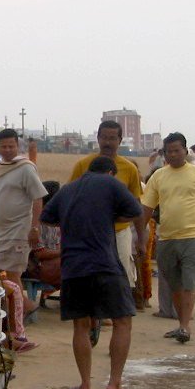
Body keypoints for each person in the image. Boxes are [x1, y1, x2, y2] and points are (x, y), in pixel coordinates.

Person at [41, 156, 142, 389]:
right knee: (122, 321)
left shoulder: (68, 189)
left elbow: (46, 215)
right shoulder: (111, 183)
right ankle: (114, 384)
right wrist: (108, 217)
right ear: (110, 173)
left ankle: (85, 385)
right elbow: (135, 210)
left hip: (73, 267)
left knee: (81, 326)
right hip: (104, 263)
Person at [140, 133, 195, 344]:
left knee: (190, 281)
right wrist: (140, 236)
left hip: (193, 236)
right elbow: (147, 207)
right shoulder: (158, 176)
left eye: (177, 150)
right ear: (164, 153)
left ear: (185, 151)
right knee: (174, 284)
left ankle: (185, 326)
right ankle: (181, 323)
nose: (173, 155)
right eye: (169, 151)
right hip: (166, 237)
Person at [68, 121, 146, 305]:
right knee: (91, 273)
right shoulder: (83, 165)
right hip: (90, 233)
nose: (108, 142)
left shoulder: (129, 168)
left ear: (120, 141)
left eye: (112, 138)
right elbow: (70, 198)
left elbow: (136, 206)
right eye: (104, 137)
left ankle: (116, 311)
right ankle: (95, 314)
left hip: (119, 232)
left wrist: (141, 240)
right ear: (98, 138)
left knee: (120, 273)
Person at [0, 128, 47, 352]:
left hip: (18, 231)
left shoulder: (25, 168)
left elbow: (38, 198)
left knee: (12, 280)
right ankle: (10, 329)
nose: (8, 149)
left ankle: (18, 334)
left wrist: (34, 227)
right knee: (3, 280)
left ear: (18, 146)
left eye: (11, 146)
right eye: (4, 146)